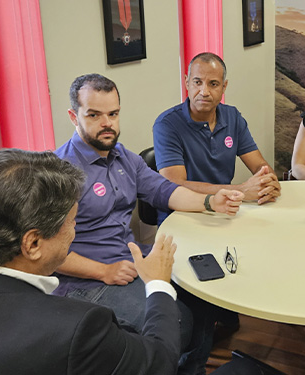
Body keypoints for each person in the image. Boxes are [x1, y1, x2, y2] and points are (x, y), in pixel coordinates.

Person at [0, 150, 182, 374]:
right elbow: (160, 361)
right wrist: (158, 283)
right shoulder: (77, 327)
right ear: (33, 244)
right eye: (73, 223)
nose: (74, 233)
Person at [54, 74, 244, 374]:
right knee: (177, 321)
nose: (107, 123)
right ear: (73, 116)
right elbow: (46, 252)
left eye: (113, 114)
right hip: (87, 281)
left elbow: (164, 190)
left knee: (205, 295)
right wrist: (103, 270)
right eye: (94, 115)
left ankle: (189, 369)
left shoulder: (123, 158)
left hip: (131, 260)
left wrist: (210, 202)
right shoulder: (60, 173)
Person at [153, 52, 280, 218]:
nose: (204, 91)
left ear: (224, 87)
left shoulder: (232, 117)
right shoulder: (167, 124)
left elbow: (259, 166)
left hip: (225, 209)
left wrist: (267, 183)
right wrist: (240, 190)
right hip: (182, 214)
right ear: (186, 82)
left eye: (213, 84)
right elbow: (175, 184)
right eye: (197, 82)